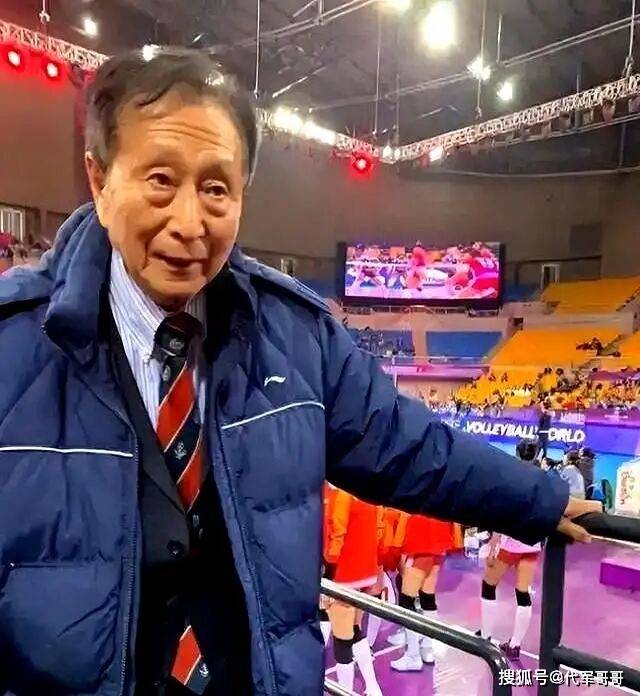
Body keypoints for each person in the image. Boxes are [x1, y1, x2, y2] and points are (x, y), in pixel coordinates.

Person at [0, 47, 598, 696]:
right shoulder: (12, 345)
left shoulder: (297, 336)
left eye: (216, 188)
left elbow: (406, 445)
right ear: (99, 179)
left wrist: (533, 497)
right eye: (161, 180)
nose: (189, 223)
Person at [478, 439, 544, 659]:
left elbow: (501, 514)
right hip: (532, 542)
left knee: (489, 584)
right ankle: (515, 645)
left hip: (511, 542)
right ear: (536, 454)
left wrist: (493, 544)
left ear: (517, 452)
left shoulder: (510, 477)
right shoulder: (542, 479)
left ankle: (486, 635)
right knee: (523, 591)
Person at [323, 488, 384, 696]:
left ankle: (345, 692)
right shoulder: (366, 493)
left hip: (344, 574)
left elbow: (337, 533)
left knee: (342, 640)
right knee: (355, 631)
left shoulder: (341, 493)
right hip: (365, 571)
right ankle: (373, 688)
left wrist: (328, 572)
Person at [389, 514, 455, 672]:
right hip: (440, 536)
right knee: (427, 597)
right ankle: (427, 647)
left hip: (419, 539)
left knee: (407, 600)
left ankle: (413, 655)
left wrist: (396, 546)